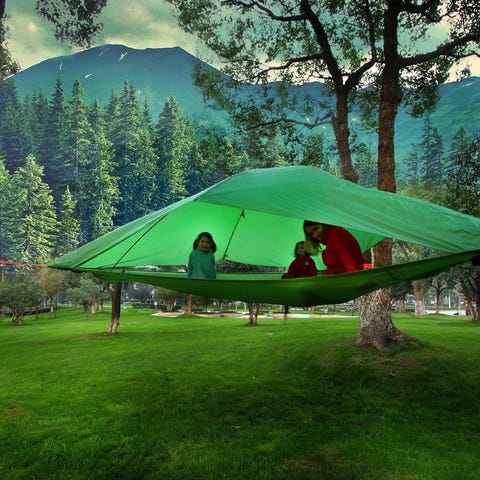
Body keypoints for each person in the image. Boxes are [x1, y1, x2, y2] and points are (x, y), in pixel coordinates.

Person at [282, 240, 318, 315]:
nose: (300, 249)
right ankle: (286, 305)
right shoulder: (295, 261)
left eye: (302, 248)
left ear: (307, 249)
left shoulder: (310, 261)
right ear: (296, 250)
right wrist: (290, 277)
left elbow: (314, 274)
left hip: (306, 281)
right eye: (298, 248)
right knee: (284, 276)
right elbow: (290, 272)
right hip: (296, 281)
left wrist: (306, 277)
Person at [186, 231, 217, 314]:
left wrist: (214, 281)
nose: (205, 244)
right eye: (202, 241)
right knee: (195, 299)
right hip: (195, 282)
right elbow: (190, 268)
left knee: (206, 300)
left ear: (211, 244)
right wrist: (189, 280)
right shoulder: (193, 254)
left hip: (209, 283)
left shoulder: (211, 255)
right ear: (197, 242)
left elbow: (212, 269)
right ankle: (190, 311)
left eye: (207, 242)